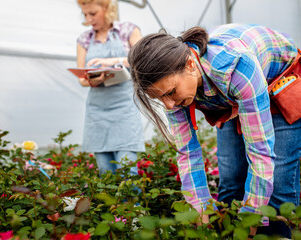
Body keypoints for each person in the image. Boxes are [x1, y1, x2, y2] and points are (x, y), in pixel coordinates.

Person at [128, 23, 301, 238]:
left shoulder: (236, 67)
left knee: (280, 179)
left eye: (171, 93)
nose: (169, 105)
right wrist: (200, 208)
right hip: (227, 95)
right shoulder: (172, 92)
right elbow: (187, 153)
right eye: (160, 98)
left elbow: (260, 150)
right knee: (230, 176)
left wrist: (253, 214)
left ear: (191, 64)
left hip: (279, 78)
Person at [75, 0, 145, 176]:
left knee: (127, 169)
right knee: (106, 172)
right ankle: (112, 205)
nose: (89, 19)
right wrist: (94, 79)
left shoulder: (128, 30)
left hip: (125, 108)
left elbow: (143, 59)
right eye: (85, 14)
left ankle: (132, 204)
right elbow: (82, 79)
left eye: (92, 13)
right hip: (97, 111)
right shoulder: (84, 39)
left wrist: (112, 62)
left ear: (107, 9)